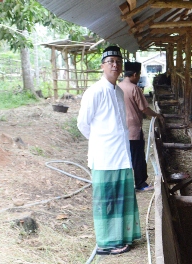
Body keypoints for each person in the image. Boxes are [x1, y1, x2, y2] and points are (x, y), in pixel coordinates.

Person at [77, 46, 140, 255]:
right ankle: (106, 243)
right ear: (102, 65)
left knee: (121, 197)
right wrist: (99, 142)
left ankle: (121, 237)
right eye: (110, 61)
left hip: (121, 155)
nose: (115, 64)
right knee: (107, 200)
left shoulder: (119, 91)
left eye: (118, 61)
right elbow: (83, 124)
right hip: (104, 156)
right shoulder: (94, 91)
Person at [118, 61, 165, 192]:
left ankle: (125, 184)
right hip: (133, 129)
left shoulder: (118, 87)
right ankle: (140, 184)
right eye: (138, 75)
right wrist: (156, 115)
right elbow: (144, 109)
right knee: (137, 156)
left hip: (121, 128)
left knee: (125, 156)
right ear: (134, 74)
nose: (139, 77)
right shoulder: (134, 89)